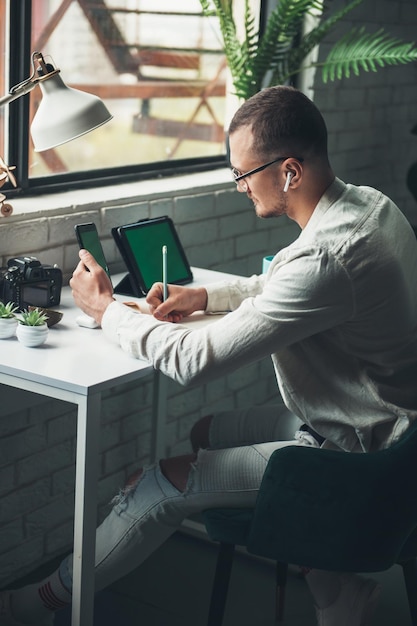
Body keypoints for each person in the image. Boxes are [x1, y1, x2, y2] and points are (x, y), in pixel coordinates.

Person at [2, 85, 417, 626]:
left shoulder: (325, 256)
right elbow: (283, 282)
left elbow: (192, 360)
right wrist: (203, 296)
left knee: (158, 482)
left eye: (244, 174)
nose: (240, 187)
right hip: (388, 422)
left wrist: (106, 311)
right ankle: (336, 594)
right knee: (205, 433)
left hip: (360, 455)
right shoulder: (367, 206)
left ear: (289, 171)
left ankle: (36, 605)